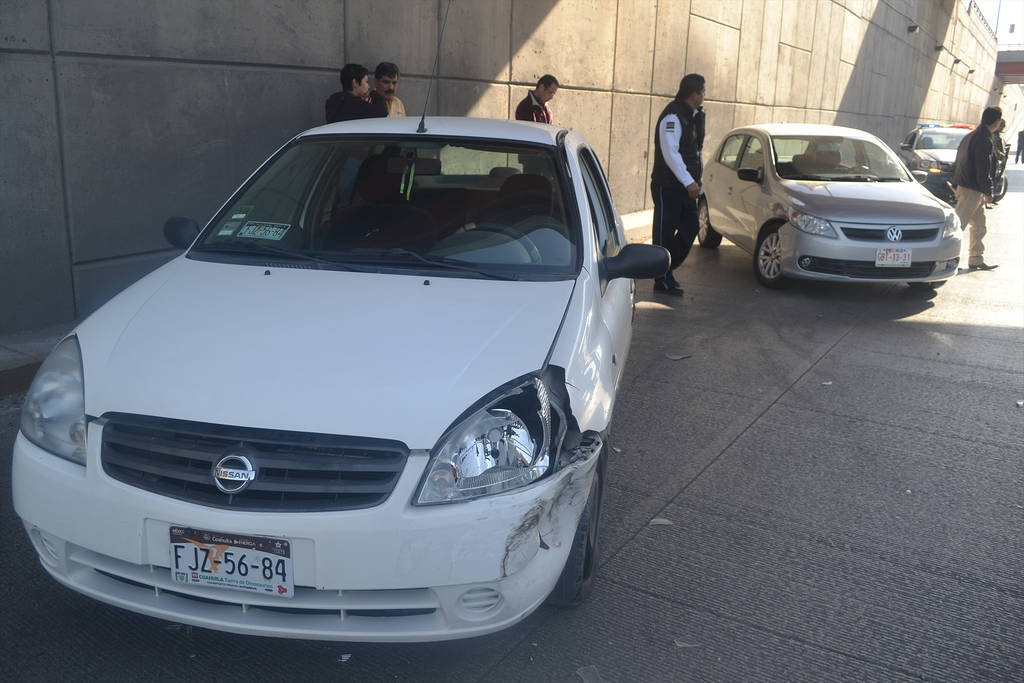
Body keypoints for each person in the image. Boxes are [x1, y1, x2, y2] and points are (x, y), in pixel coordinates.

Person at [649, 73, 706, 296]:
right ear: (694, 94)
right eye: (702, 91)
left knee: (691, 226)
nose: (704, 96)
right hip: (669, 187)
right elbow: (671, 154)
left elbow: (693, 153)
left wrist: (694, 180)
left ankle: (665, 267)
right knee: (664, 233)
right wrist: (689, 182)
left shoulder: (691, 117)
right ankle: (662, 277)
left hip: (685, 187)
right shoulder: (672, 117)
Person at [950, 106, 1001, 271]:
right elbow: (983, 169)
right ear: (996, 122)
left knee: (979, 226)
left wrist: (955, 182)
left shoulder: (971, 136)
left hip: (970, 187)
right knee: (957, 227)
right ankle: (947, 259)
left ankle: (976, 260)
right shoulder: (983, 139)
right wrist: (989, 191)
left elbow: (958, 160)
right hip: (971, 189)